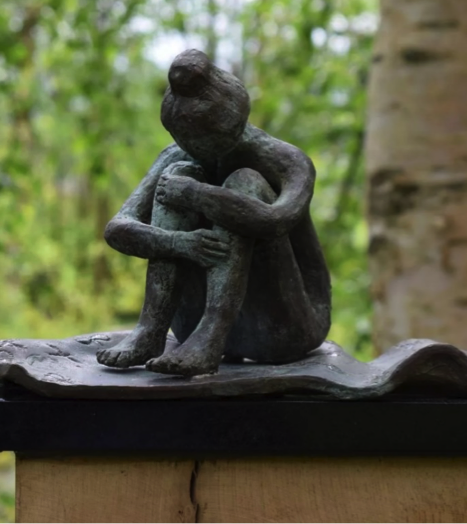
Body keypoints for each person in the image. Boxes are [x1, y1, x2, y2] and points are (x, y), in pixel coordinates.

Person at [97, 49, 331, 376]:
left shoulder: (288, 161)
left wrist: (198, 195)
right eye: (185, 139)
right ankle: (150, 330)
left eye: (205, 140)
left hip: (285, 326)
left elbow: (274, 220)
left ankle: (212, 334)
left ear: (233, 127)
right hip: (188, 326)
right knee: (176, 174)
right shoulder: (177, 156)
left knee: (243, 181)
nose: (195, 148)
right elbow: (118, 229)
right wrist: (180, 243)